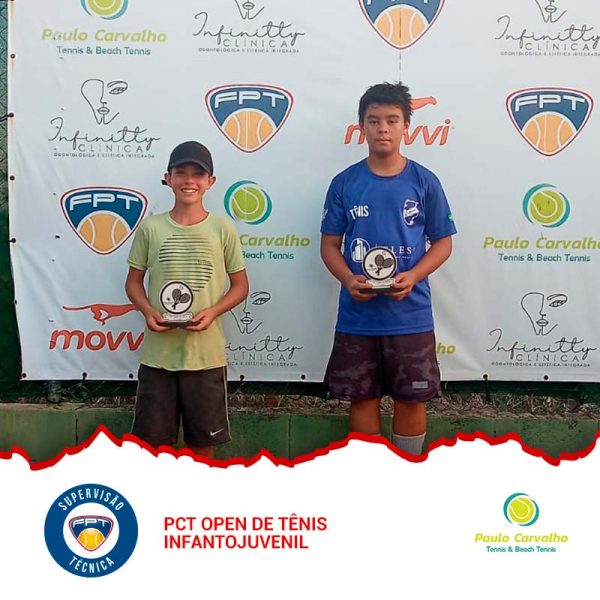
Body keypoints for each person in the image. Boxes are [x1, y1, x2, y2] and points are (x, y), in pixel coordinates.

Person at [320, 82, 457, 455]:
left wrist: (413, 276)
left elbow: (443, 243)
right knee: (362, 399)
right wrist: (348, 279)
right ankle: (371, 477)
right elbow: (329, 246)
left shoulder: (424, 181)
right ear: (361, 127)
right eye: (374, 120)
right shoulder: (345, 183)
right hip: (358, 319)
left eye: (392, 120)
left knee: (411, 400)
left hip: (409, 317)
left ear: (405, 127)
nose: (383, 128)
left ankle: (408, 473)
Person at [125, 141, 249, 459]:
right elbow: (133, 283)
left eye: (198, 174)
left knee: (202, 445)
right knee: (153, 446)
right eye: (181, 172)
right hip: (158, 356)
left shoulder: (222, 228)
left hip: (205, 357)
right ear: (168, 178)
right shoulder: (151, 228)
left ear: (211, 181)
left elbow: (240, 286)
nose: (189, 180)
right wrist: (148, 311)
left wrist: (213, 311)